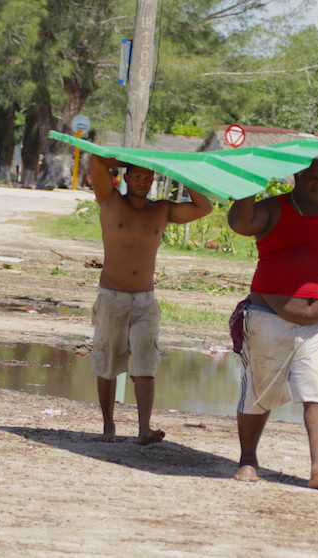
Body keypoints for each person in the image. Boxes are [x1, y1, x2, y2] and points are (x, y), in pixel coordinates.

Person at [227, 157, 318, 491]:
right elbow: (240, 223)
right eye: (312, 177)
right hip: (269, 317)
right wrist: (248, 182)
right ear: (295, 177)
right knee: (259, 393)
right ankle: (248, 460)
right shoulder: (273, 208)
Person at [89, 155, 212, 444]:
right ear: (127, 177)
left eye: (149, 177)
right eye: (138, 176)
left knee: (146, 364)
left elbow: (203, 207)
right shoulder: (110, 201)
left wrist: (180, 171)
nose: (143, 181)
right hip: (112, 297)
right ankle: (109, 426)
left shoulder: (163, 210)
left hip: (145, 300)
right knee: (107, 365)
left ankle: (144, 428)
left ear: (154, 181)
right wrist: (131, 158)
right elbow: (96, 161)